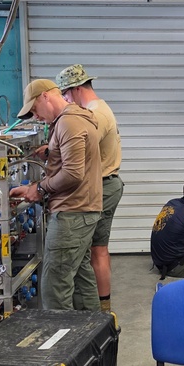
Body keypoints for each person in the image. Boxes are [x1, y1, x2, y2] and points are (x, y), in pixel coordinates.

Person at [10, 79, 102, 312]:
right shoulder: (73, 119)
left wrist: (39, 189)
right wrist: (34, 186)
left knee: (54, 288)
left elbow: (72, 174)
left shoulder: (68, 122)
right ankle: (93, 337)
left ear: (45, 97)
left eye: (34, 110)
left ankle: (62, 345)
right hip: (81, 212)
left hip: (72, 215)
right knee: (81, 281)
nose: (36, 116)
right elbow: (65, 168)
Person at [55, 64, 123, 315]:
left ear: (75, 89)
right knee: (94, 249)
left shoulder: (96, 115)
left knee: (96, 250)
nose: (64, 100)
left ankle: (103, 310)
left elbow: (78, 156)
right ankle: (99, 307)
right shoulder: (97, 110)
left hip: (102, 186)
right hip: (106, 184)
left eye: (65, 94)